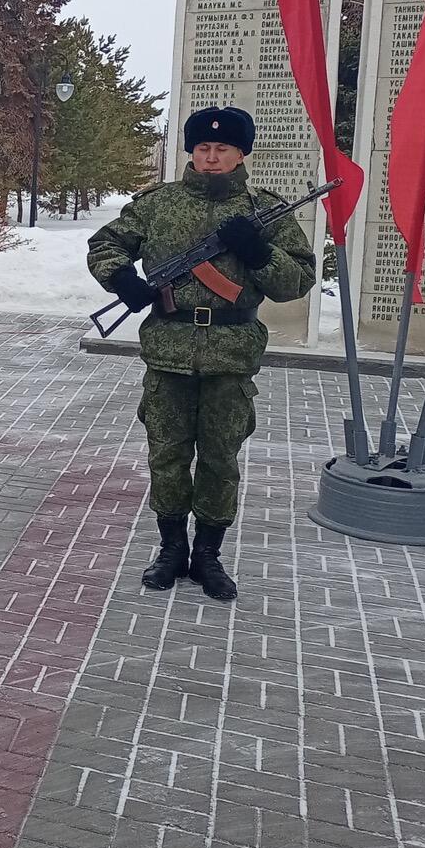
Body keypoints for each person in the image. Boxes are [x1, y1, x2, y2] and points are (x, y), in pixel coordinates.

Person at [87, 106, 315, 602]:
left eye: (223, 149)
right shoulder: (159, 204)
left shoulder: (264, 211)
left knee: (219, 458)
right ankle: (170, 549)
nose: (212, 157)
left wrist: (257, 252)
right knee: (166, 455)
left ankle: (207, 554)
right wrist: (125, 280)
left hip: (231, 356)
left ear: (241, 153)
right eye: (203, 148)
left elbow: (296, 282)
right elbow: (106, 244)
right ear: (191, 151)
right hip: (168, 351)